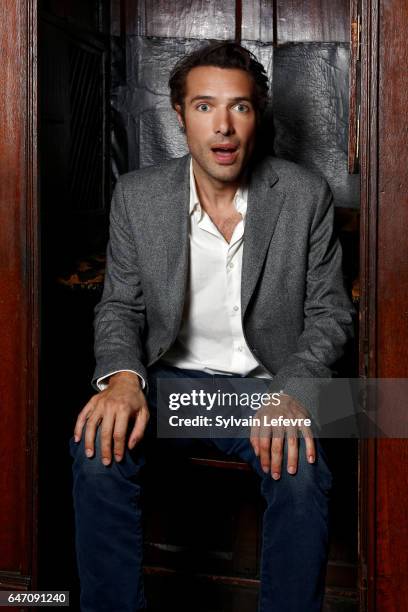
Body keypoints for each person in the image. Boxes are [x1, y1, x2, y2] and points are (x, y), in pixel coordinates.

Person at [69, 42, 354, 612]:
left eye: (240, 108)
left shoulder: (303, 196)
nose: (223, 127)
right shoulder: (138, 196)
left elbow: (330, 313)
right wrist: (121, 378)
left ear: (257, 115)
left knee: (307, 464)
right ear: (180, 114)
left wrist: (295, 393)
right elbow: (120, 306)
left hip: (262, 389)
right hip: (169, 387)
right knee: (96, 450)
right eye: (204, 107)